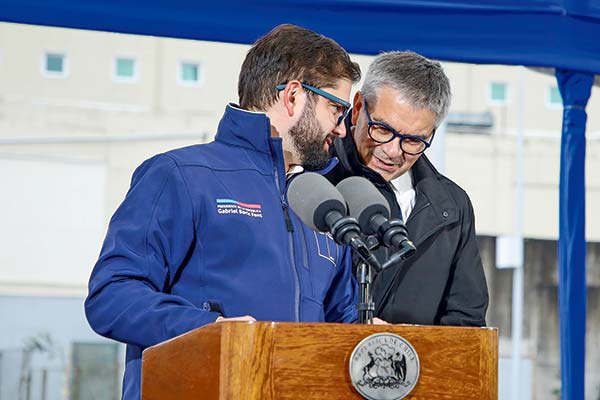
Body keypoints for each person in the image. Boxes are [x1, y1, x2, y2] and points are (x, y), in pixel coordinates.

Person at [85, 24, 362, 400]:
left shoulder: (322, 202)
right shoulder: (181, 175)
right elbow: (112, 296)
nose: (343, 129)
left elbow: (338, 320)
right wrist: (211, 330)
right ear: (294, 96)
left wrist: (369, 335)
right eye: (336, 108)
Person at [325, 51, 488, 326]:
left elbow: (466, 324)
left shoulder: (452, 208)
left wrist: (407, 348)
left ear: (432, 133)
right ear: (357, 106)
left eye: (413, 141)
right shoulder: (315, 184)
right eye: (382, 129)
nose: (391, 151)